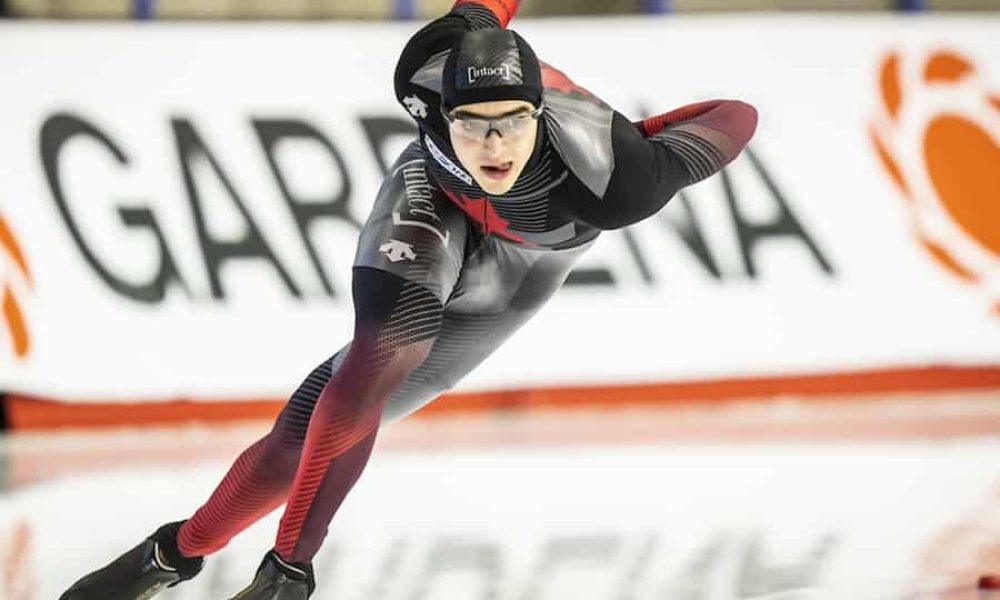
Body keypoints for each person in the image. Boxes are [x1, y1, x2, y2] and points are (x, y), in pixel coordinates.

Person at [60, 1, 757, 598]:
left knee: (324, 428)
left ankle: (210, 553)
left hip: (526, 260)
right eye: (471, 124)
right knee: (369, 367)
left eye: (512, 123)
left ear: (540, 116)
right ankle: (184, 556)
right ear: (435, 109)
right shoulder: (423, 68)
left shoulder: (617, 178)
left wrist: (650, 141)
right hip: (433, 202)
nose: (492, 146)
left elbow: (738, 112)